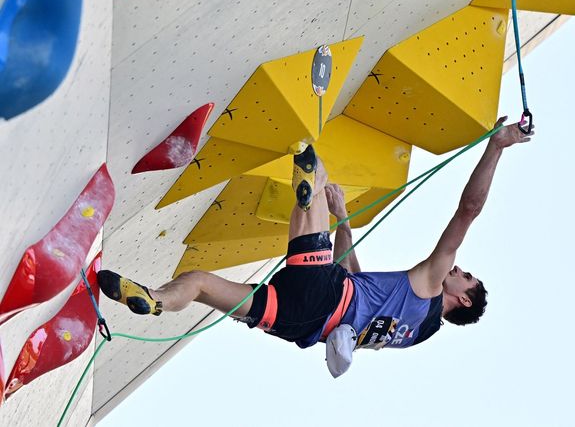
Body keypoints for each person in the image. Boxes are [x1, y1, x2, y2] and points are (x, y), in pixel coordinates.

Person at [98, 116, 534, 376]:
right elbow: (361, 283)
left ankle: (308, 190)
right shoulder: (412, 334)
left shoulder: (432, 285)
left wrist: (496, 146)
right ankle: (154, 301)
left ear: (459, 298)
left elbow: (468, 210)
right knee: (197, 285)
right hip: (295, 323)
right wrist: (343, 218)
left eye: (464, 275)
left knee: (316, 172)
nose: (457, 270)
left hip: (323, 290)